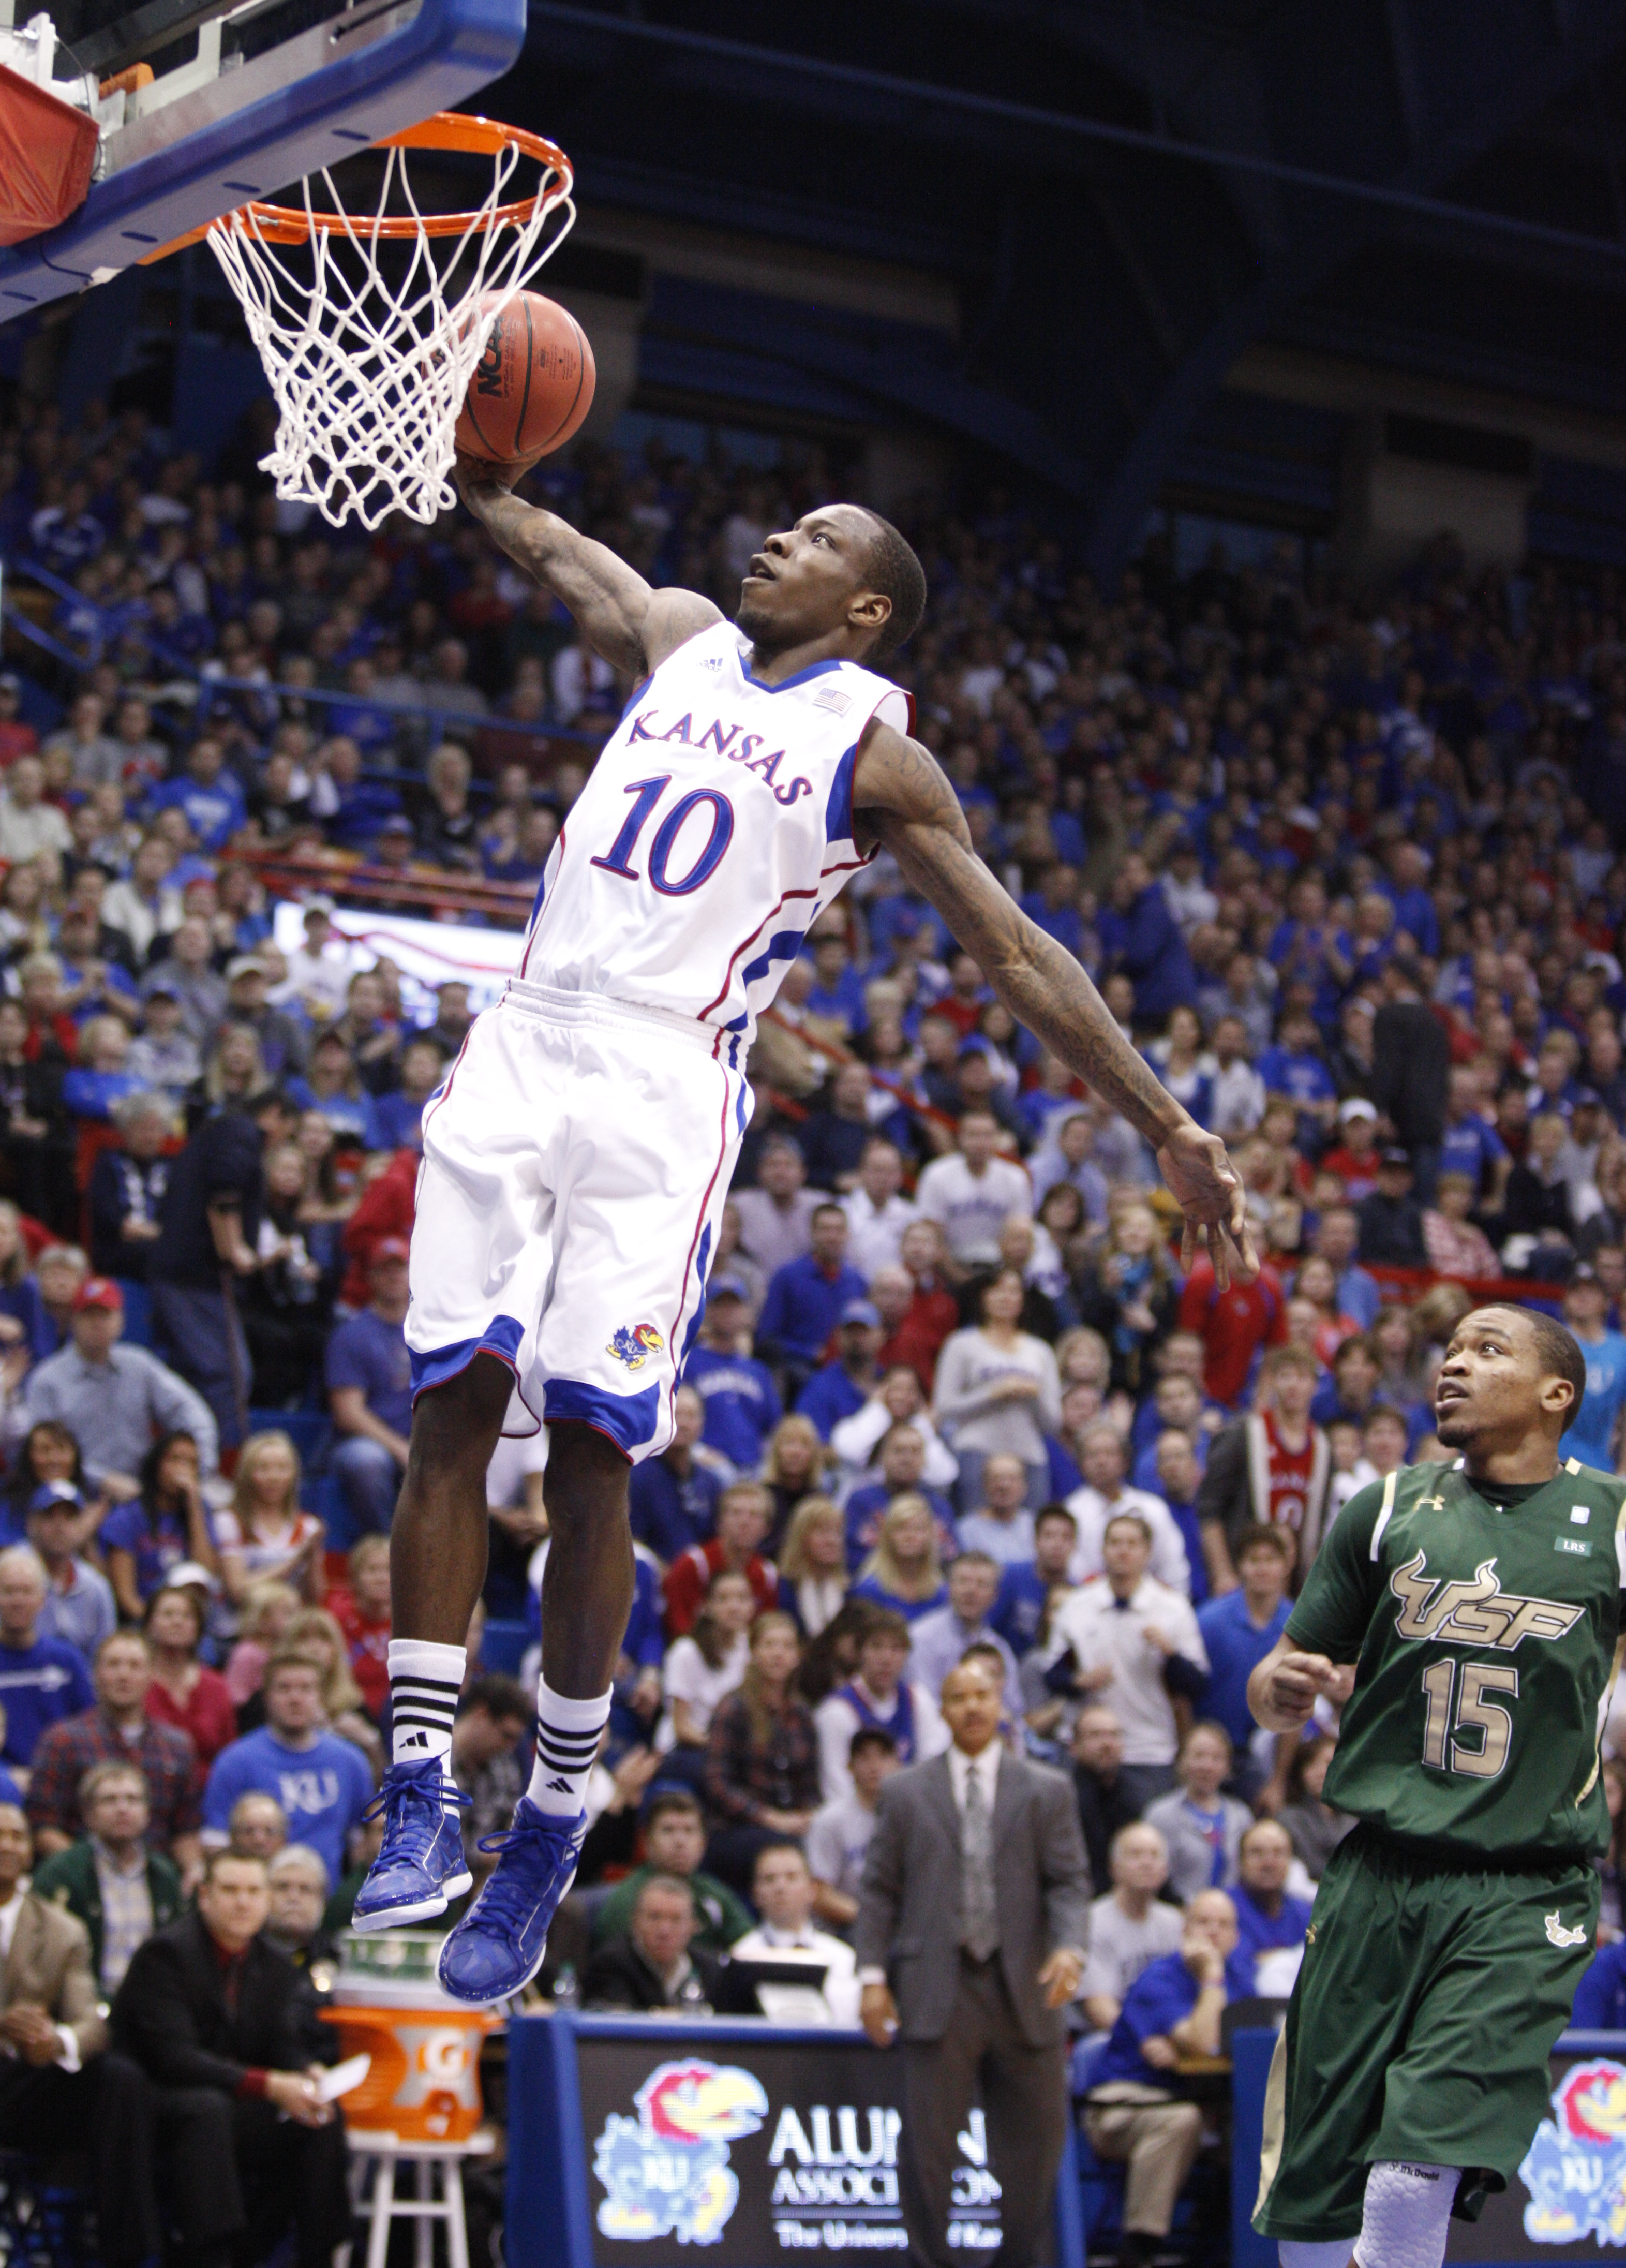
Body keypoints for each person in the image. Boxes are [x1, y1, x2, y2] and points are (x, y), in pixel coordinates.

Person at [356, 471, 1254, 2003]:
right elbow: (560, 550)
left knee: (587, 1450)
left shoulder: (877, 754)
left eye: (822, 537)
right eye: (789, 524)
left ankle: (556, 1819)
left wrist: (1161, 1118)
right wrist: (457, 454)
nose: (777, 536)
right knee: (447, 1405)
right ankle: (423, 1789)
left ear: (868, 608)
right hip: (525, 1037)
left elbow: (1018, 953)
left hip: (663, 1080)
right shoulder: (686, 634)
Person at [1249, 1305, 1622, 2267]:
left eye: (1486, 1348)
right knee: (1314, 2197)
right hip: (1376, 1871)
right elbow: (1279, 1670)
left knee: (1414, 2163)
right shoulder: (1383, 1507)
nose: (1453, 1361)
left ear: (1556, 1393)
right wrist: (1275, 1685)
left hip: (1523, 1884)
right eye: (1450, 1347)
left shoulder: (1611, 1522)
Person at [857, 1653, 1091, 2268]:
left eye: (982, 1696)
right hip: (938, 1984)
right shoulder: (905, 1791)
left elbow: (1068, 1883)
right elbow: (879, 1889)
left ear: (1001, 1706)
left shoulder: (1048, 1789)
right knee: (929, 2153)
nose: (971, 1707)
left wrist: (1069, 1946)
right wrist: (871, 1976)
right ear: (941, 1709)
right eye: (958, 1697)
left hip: (1026, 1986)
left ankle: (1015, 2261)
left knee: (1035, 2150)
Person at [112, 1847, 350, 2268]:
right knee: (207, 2111)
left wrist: (304, 2070)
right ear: (204, 1895)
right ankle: (213, 2256)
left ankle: (318, 2252)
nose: (243, 1902)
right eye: (230, 1890)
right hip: (158, 2101)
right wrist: (271, 2085)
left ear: (266, 1900)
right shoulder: (166, 1954)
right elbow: (174, 2058)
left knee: (320, 2117)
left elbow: (281, 2042)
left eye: (253, 1891)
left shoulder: (274, 1962)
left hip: (231, 2099)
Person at [0, 1801, 160, 2267]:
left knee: (119, 2077)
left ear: (31, 1852)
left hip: (19, 2086)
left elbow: (91, 2022)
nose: (7, 1845)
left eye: (17, 1836)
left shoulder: (62, 1929)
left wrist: (56, 2041)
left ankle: (126, 2253)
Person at [1083, 1888, 1239, 2268]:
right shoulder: (1160, 1978)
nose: (1213, 1932)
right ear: (1184, 1930)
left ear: (1236, 1935)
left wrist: (1185, 2047)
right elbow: (1206, 2042)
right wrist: (1212, 1978)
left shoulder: (1243, 1975)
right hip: (1120, 2102)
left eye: (1223, 1925)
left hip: (1201, 2100)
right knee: (1180, 2119)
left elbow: (1246, 2041)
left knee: (1254, 2124)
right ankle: (1138, 2250)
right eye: (1203, 1922)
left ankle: (1218, 2244)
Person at [146, 1086, 302, 1450]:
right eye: (288, 1129)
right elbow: (225, 1191)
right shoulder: (241, 1132)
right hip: (194, 1278)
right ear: (275, 1113)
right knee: (227, 1375)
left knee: (196, 1371)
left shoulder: (220, 1130)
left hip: (184, 1272)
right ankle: (220, 1463)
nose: (282, 1141)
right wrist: (233, 1249)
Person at [1042, 1514, 1207, 1813]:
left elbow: (1197, 1684)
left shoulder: (1172, 1608)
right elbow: (1052, 1674)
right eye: (1115, 1543)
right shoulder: (1078, 1605)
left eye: (1133, 1543)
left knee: (1144, 1842)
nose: (1123, 1551)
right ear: (1103, 1550)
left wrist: (1170, 1655)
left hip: (1148, 1748)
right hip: (1086, 1750)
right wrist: (1078, 1682)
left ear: (1147, 1552)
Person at [24, 1276, 218, 1491]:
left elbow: (191, 1413)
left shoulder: (140, 1365)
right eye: (89, 1315)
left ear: (121, 1322)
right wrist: (102, 1481)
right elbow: (39, 1454)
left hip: (144, 1491)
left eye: (105, 1315)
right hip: (74, 1494)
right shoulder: (47, 1380)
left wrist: (198, 1467)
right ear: (73, 1321)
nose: (97, 1324)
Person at [26, 1630, 202, 1866]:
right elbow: (43, 1829)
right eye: (113, 1665)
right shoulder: (62, 1741)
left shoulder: (177, 1746)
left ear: (151, 1676)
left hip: (154, 1880)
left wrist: (194, 1869)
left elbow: (185, 1830)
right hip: (81, 1881)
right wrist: (97, 1872)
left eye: (135, 1666)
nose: (124, 1675)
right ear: (95, 1674)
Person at [202, 1652, 372, 1890]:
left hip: (330, 1900)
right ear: (266, 1697)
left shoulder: (351, 1762)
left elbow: (362, 1844)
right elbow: (215, 1844)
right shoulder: (235, 1762)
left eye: (306, 1689)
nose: (295, 1698)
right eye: (284, 1689)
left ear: (321, 1696)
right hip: (258, 1898)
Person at [32, 1759, 184, 1994]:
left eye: (133, 1800)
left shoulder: (165, 1875)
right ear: (88, 1815)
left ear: (147, 1813)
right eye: (109, 1800)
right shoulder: (60, 1874)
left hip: (154, 2005)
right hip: (83, 2005)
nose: (122, 1809)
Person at [702, 1609, 822, 1893]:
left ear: (797, 1657)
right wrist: (771, 1818)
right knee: (788, 1852)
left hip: (792, 1822)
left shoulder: (803, 1713)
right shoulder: (733, 1708)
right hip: (738, 1829)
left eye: (787, 1646)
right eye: (770, 1645)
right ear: (754, 1652)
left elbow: (811, 1784)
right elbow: (718, 1784)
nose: (778, 1654)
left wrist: (808, 1816)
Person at [932, 1267, 1063, 1511]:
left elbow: (1053, 1423)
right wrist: (992, 1394)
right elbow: (945, 1408)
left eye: (1012, 1291)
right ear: (983, 1298)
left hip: (1029, 1456)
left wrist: (1034, 1395)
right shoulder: (961, 1345)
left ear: (1022, 1301)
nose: (1005, 1298)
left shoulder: (1040, 1350)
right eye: (997, 1290)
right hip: (976, 1453)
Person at [589, 1788, 753, 1954]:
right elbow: (612, 1959)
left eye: (689, 1830)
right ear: (647, 1842)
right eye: (668, 1830)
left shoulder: (714, 1894)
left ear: (703, 1843)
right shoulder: (629, 1898)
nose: (680, 1841)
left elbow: (751, 1947)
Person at [814, 1607, 947, 1805]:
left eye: (896, 1649)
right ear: (860, 1653)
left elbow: (935, 1770)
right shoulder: (837, 1711)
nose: (886, 1659)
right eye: (877, 1647)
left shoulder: (917, 1698)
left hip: (907, 1815)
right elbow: (837, 1792)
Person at [1195, 1524, 1293, 1783]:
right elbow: (1183, 1694)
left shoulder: (1299, 1624)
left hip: (1267, 1759)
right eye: (1254, 1560)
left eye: (1270, 1560)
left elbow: (1299, 1708)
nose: (1262, 1568)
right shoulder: (1209, 1621)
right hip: (1211, 1755)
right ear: (1239, 1567)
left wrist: (1279, 1781)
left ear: (1285, 1566)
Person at [731, 1840, 861, 2023]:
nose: (780, 1887)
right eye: (769, 1879)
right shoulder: (741, 1957)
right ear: (755, 1894)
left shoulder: (844, 1958)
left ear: (812, 1890)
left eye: (791, 1877)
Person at [99, 1431, 220, 1621]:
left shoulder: (200, 1511)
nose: (182, 1470)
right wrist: (158, 1625)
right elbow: (126, 1598)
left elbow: (206, 1572)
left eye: (191, 1463)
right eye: (175, 1460)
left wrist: (194, 1505)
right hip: (143, 1619)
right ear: (157, 1464)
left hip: (191, 1622)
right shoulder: (127, 1516)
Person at [1080, 1820, 1185, 2033]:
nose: (1146, 1863)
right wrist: (1144, 2039)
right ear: (1114, 1868)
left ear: (1165, 1870)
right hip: (1113, 2039)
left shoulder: (1174, 1921)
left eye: (1155, 1856)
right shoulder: (1093, 1921)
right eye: (1135, 1855)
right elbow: (1099, 2007)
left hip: (1165, 2033)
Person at [0, 1545, 95, 1777]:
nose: (18, 1601)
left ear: (42, 1599)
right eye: (9, 1591)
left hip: (61, 1779)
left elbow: (90, 1727)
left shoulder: (67, 1660)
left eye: (27, 1592)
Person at [581, 1871, 724, 2012]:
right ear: (635, 1921)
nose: (664, 1930)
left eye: (676, 1920)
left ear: (693, 1926)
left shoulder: (709, 1969)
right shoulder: (610, 1965)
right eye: (654, 1917)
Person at [682, 1276, 784, 1471]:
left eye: (734, 1306)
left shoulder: (758, 1371)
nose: (727, 1312)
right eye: (720, 1305)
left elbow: (775, 1428)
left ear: (746, 1314)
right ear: (708, 1312)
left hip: (755, 1468)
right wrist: (698, 1452)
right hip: (706, 1467)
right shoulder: (689, 1363)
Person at [1143, 1722, 1253, 1902]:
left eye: (1216, 1758)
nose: (1207, 1766)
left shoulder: (1241, 1815)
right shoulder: (1161, 1814)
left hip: (1231, 1915)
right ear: (1183, 1760)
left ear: (1227, 1767)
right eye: (1199, 1756)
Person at [908, 1552, 1025, 1721]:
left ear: (995, 1596)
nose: (971, 1591)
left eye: (982, 1584)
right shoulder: (922, 1638)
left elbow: (1014, 1710)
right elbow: (924, 1706)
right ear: (948, 1587)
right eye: (963, 1582)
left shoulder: (999, 1648)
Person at [807, 1726, 900, 1929]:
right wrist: (874, 1919)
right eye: (865, 1758)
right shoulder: (830, 1820)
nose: (874, 1766)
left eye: (883, 1756)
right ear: (850, 1766)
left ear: (898, 1763)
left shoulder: (911, 1817)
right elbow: (820, 1895)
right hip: (845, 1927)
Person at [663, 1482, 779, 1634]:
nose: (744, 1522)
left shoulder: (768, 1574)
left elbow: (763, 1630)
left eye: (754, 1515)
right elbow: (678, 1625)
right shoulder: (693, 1564)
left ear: (767, 1528)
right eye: (736, 1513)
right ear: (719, 1522)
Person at [143, 1585, 238, 1768]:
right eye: (168, 1614)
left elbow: (229, 1752)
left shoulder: (217, 1687)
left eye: (187, 1616)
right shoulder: (137, 1683)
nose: (177, 1622)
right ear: (149, 1625)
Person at [627, 1382, 724, 1560]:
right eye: (676, 1415)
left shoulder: (711, 1482)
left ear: (702, 1423)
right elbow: (633, 1541)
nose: (684, 1424)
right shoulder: (638, 1477)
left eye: (691, 1416)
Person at [27, 1482, 115, 1658]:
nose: (59, 1527)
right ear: (32, 1524)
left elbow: (105, 1655)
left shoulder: (96, 1587)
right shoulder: (11, 1577)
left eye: (69, 1518)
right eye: (49, 1517)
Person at [1229, 1816, 1313, 1992]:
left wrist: (1270, 1959)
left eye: (1278, 1853)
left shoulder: (1304, 1911)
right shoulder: (1224, 1909)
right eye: (1257, 1853)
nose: (1269, 1863)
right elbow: (1239, 1971)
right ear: (1240, 1861)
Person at [1561, 1263, 1626, 1474]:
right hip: (1556, 1464)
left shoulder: (1621, 1350)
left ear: (1606, 1302)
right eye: (1576, 1291)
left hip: (1601, 1468)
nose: (1582, 1297)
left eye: (1591, 1292)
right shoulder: (1554, 1344)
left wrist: (1624, 1470)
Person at [1070, 1704, 1141, 1893]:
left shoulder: (1133, 1795)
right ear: (1074, 1746)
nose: (1107, 1744)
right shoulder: (1064, 1797)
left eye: (1114, 1735)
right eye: (1096, 1735)